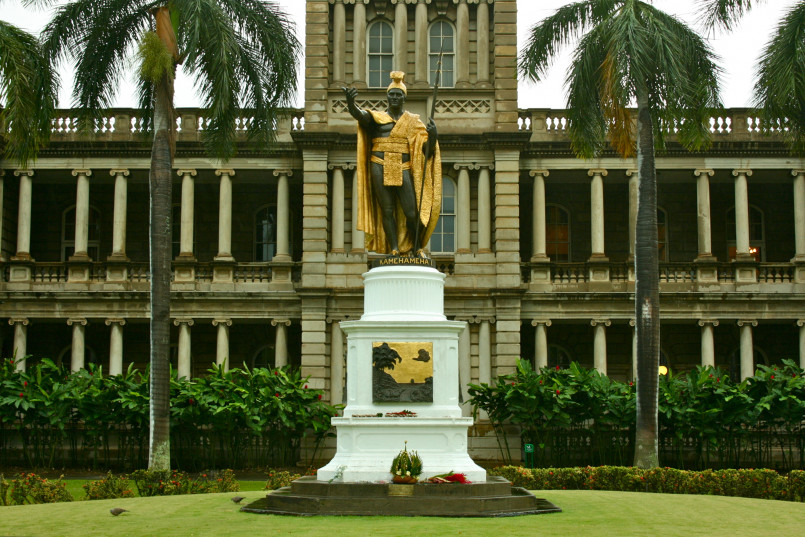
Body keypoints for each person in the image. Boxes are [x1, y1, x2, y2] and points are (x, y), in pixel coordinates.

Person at [344, 71, 441, 256]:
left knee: (411, 212)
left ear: (404, 98)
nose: (395, 98)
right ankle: (394, 248)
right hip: (379, 164)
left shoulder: (413, 121)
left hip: (403, 167)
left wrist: (433, 135)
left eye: (398, 95)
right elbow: (360, 115)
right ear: (387, 97)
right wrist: (351, 104)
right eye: (392, 95)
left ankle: (417, 247)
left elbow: (426, 150)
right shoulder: (377, 118)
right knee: (387, 210)